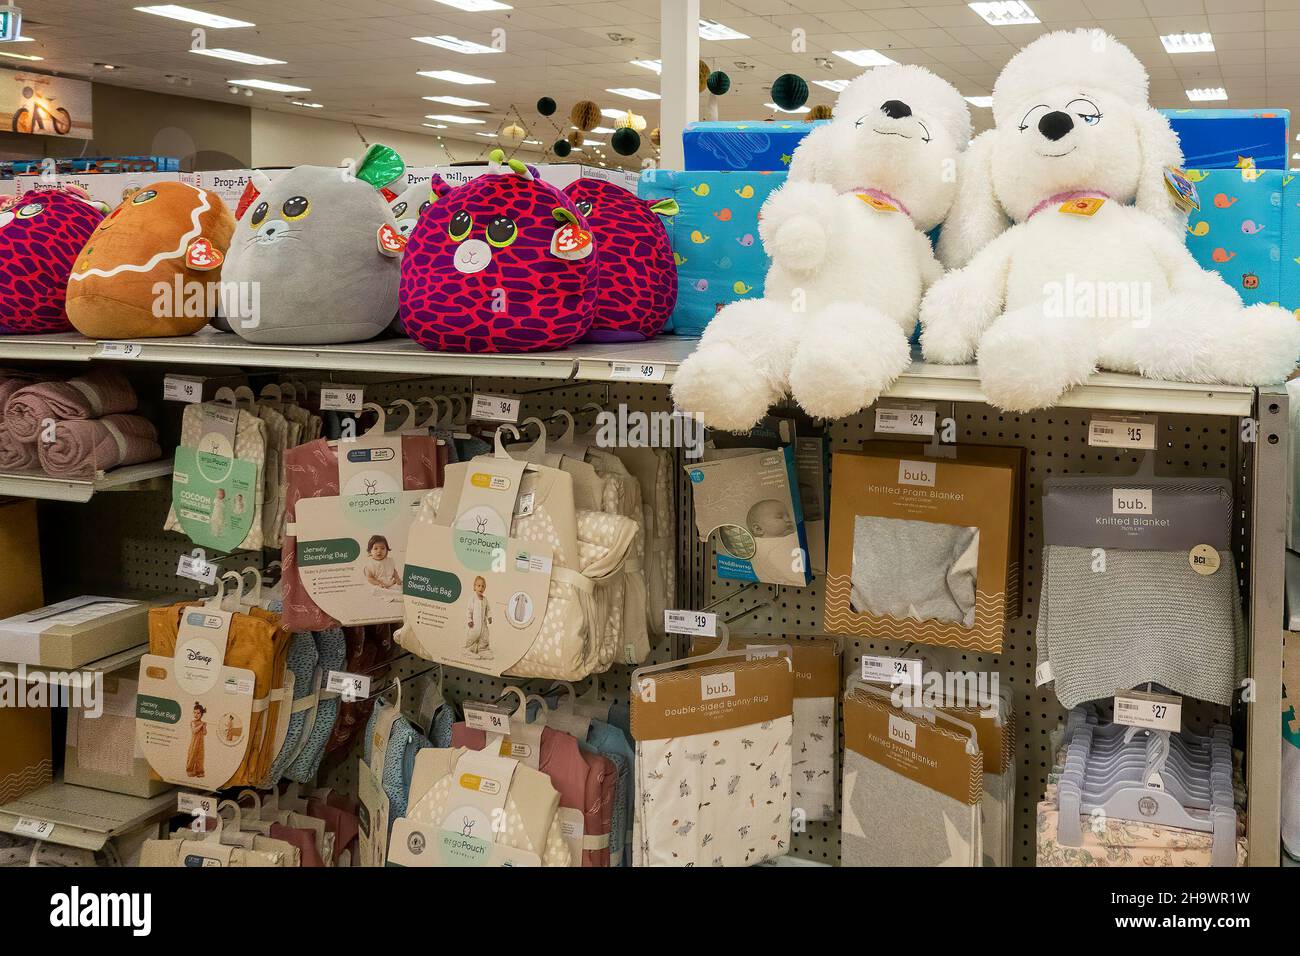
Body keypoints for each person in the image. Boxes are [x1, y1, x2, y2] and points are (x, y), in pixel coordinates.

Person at [464, 575, 492, 657]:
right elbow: (469, 610)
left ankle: (483, 650)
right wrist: (469, 620)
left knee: (484, 637)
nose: (481, 588)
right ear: (474, 587)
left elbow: (488, 609)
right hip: (474, 625)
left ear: (485, 588)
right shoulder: (472, 598)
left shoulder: (485, 600)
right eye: (478, 586)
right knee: (472, 637)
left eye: (483, 586)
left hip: (483, 625)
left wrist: (489, 617)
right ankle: (469, 649)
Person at [186, 702, 207, 779]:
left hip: (201, 743)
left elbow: (204, 733)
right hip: (194, 742)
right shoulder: (192, 722)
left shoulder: (202, 723)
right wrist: (201, 725)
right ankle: (190, 770)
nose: (196, 715)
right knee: (192, 755)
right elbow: (194, 731)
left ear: (201, 714)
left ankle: (199, 771)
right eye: (194, 712)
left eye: (198, 713)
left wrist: (204, 726)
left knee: (200, 757)